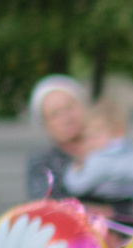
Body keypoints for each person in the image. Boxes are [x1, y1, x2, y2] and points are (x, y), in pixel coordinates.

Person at [60, 94, 133, 224]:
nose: (89, 142)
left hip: (106, 211)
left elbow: (76, 186)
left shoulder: (98, 160)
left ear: (115, 133)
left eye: (93, 136)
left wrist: (74, 169)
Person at [26, 75, 92, 204]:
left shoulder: (112, 149)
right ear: (45, 126)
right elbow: (48, 209)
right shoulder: (42, 163)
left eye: (69, 107)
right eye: (55, 114)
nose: (66, 118)